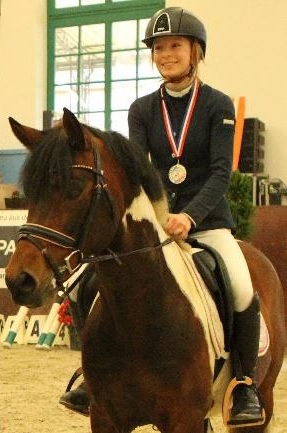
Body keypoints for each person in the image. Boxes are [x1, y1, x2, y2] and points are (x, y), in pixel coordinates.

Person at [61, 7, 264, 425]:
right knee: (85, 283)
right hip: (158, 224)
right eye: (158, 48)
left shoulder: (217, 105)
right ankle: (92, 375)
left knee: (242, 288)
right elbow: (140, 170)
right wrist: (157, 217)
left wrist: (189, 216)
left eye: (174, 46)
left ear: (195, 51)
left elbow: (221, 173)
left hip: (207, 224)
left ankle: (244, 384)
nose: (166, 54)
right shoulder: (141, 109)